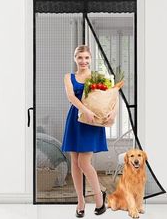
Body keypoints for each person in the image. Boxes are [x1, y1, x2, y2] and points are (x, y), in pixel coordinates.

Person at [61, 45, 117, 217]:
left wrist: (112, 114)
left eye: (86, 58)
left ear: (91, 59)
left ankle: (99, 198)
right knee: (75, 162)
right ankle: (80, 201)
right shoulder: (68, 77)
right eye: (80, 58)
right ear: (75, 59)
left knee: (84, 162)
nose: (83, 61)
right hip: (76, 119)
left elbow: (112, 96)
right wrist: (85, 110)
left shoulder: (97, 77)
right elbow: (71, 97)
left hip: (91, 122)